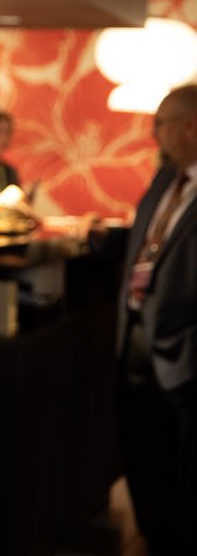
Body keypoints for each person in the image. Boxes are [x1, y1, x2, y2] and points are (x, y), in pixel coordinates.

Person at [115, 84, 197, 554]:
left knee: (182, 484)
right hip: (135, 345)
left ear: (189, 125)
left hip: (185, 354)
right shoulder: (165, 181)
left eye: (160, 124)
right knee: (141, 461)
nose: (153, 135)